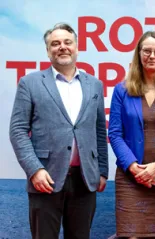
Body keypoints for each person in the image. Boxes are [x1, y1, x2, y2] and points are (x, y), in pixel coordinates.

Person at [9, 23, 108, 239]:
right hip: (45, 179)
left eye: (67, 42)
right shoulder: (30, 83)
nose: (62, 47)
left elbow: (99, 130)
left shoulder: (95, 85)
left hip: (85, 180)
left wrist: (102, 171)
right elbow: (17, 130)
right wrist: (35, 170)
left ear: (76, 47)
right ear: (48, 50)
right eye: (55, 43)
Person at [108, 31, 155, 239]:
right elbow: (114, 133)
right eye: (147, 51)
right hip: (129, 177)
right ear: (138, 54)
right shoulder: (121, 90)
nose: (152, 56)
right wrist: (136, 169)